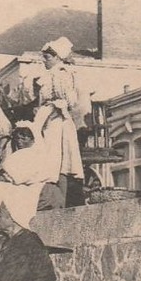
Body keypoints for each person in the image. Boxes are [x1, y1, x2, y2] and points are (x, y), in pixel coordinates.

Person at [34, 38, 87, 206]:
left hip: (59, 121)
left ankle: (59, 201)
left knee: (59, 161)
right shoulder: (47, 75)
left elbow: (68, 101)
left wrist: (52, 107)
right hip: (47, 122)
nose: (44, 61)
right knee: (48, 160)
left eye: (47, 57)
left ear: (57, 57)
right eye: (43, 57)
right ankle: (50, 200)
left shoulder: (62, 73)